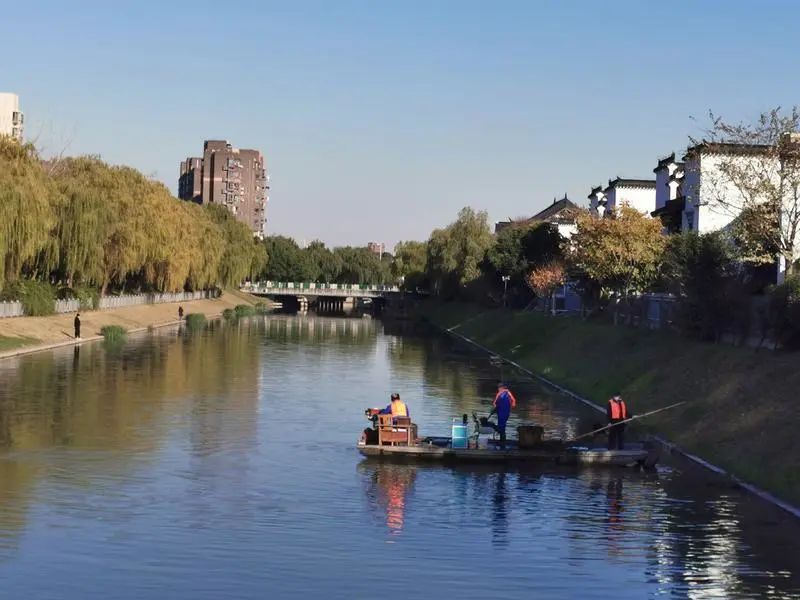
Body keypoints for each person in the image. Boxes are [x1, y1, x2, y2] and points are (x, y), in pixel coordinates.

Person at [490, 382, 516, 448]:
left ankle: (502, 442)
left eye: (498, 388)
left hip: (501, 414)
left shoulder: (499, 394)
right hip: (507, 414)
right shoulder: (509, 393)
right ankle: (502, 442)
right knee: (503, 427)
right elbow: (513, 402)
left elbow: (495, 404)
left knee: (500, 428)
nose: (498, 389)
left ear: (500, 388)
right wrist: (508, 407)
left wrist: (493, 411)